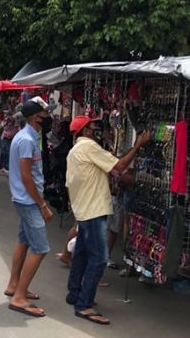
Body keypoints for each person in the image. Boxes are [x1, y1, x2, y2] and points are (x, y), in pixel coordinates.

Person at [65, 115, 150, 325]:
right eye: (93, 126)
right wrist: (138, 145)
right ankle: (84, 305)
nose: (96, 129)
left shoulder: (75, 150)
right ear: (85, 130)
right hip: (93, 211)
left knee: (83, 254)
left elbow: (111, 165)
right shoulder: (89, 147)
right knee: (100, 258)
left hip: (84, 210)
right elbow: (119, 166)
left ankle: (75, 294)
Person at [4, 99, 55, 318]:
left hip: (25, 199)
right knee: (41, 248)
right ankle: (19, 297)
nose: (49, 117)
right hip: (28, 201)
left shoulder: (29, 137)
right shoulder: (26, 140)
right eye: (46, 113)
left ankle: (14, 285)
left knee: (24, 241)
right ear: (36, 117)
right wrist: (42, 205)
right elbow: (26, 177)